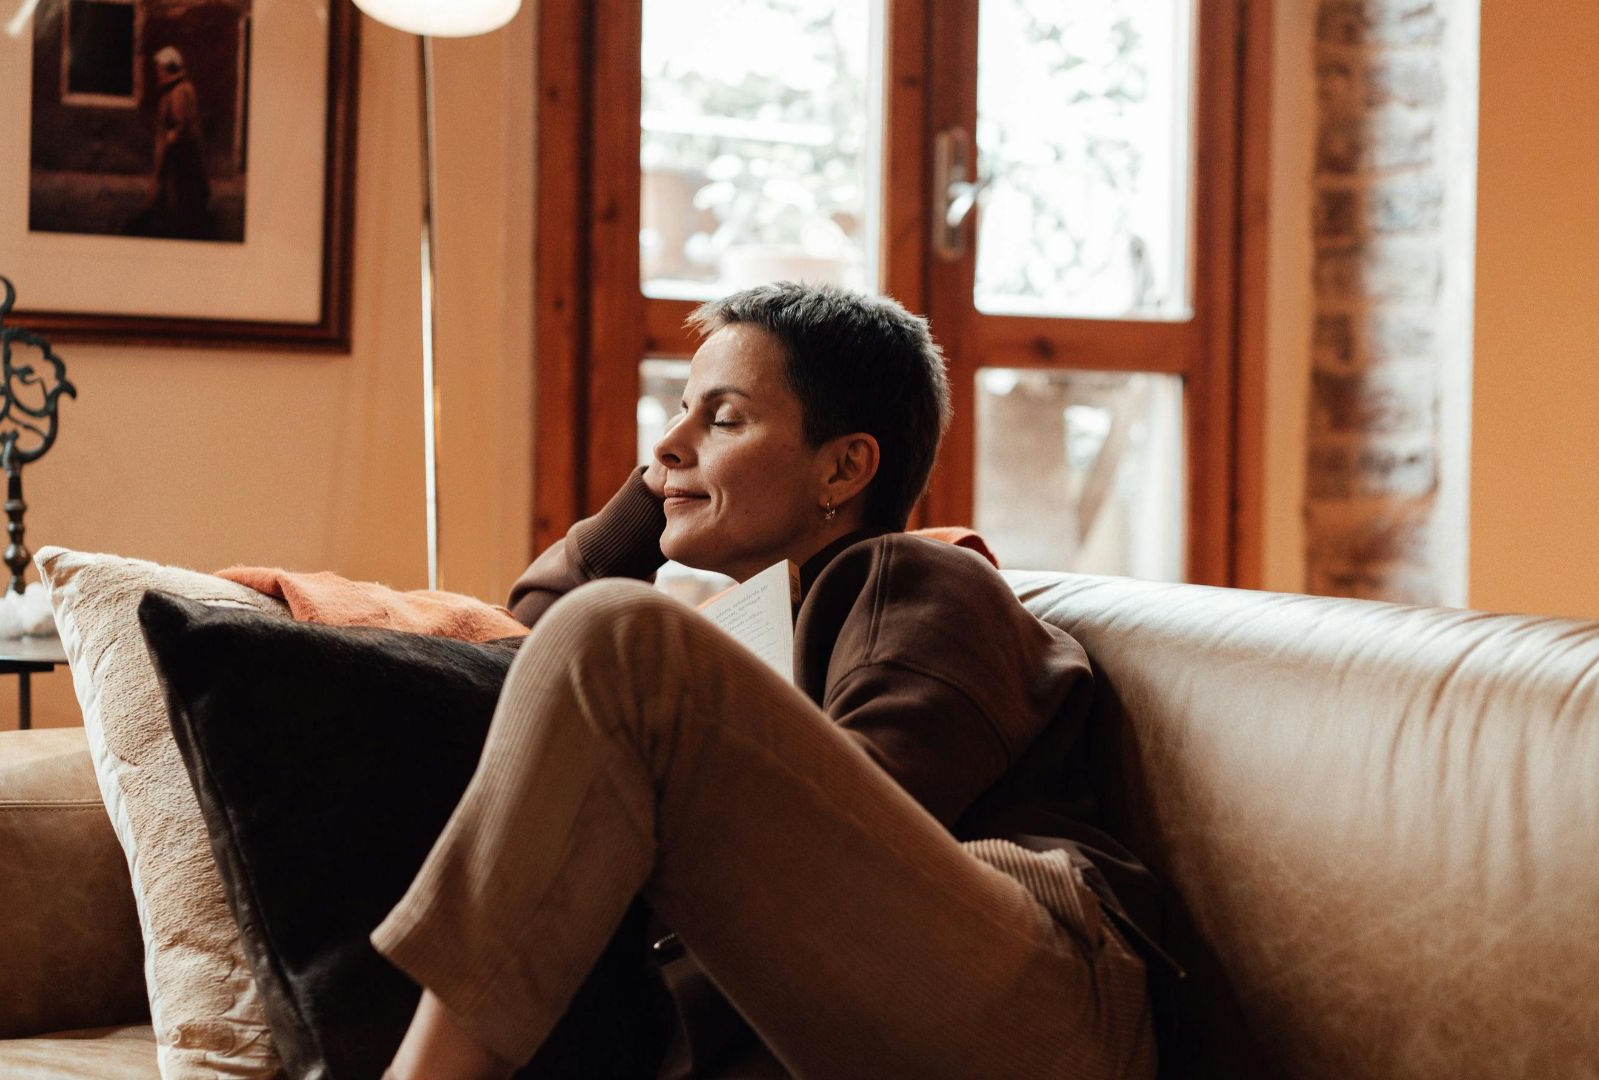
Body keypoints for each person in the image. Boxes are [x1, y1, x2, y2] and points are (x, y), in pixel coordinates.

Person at [372, 282, 1170, 1079]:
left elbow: (860, 835)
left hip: (1046, 998)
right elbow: (527, 661)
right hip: (864, 1014)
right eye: (678, 413)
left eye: (723, 419)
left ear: (844, 468)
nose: (666, 446)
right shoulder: (752, 626)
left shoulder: (918, 578)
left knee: (620, 635)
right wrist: (655, 502)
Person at [135, 46, 210, 239]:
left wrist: (168, 142)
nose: (158, 72)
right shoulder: (179, 88)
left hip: (180, 153)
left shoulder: (178, 91)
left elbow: (181, 124)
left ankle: (177, 228)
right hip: (181, 151)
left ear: (168, 68)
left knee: (178, 191)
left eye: (160, 68)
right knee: (178, 192)